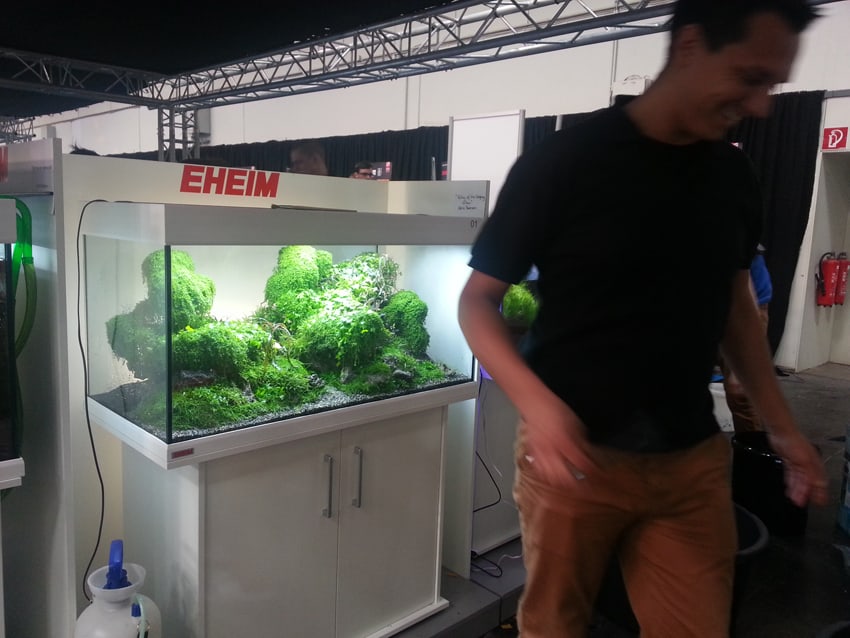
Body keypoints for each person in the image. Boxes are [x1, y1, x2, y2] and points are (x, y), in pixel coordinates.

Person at [457, 1, 828, 636]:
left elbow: (736, 308)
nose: (762, 105)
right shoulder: (567, 161)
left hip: (691, 462)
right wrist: (540, 410)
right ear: (689, 46)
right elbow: (476, 302)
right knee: (553, 626)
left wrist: (783, 428)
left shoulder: (732, 174)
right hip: (576, 464)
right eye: (750, 78)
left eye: (772, 85)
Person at [720, 246, 773, 433]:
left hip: (745, 306)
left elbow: (743, 281)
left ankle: (753, 446)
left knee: (741, 395)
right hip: (707, 305)